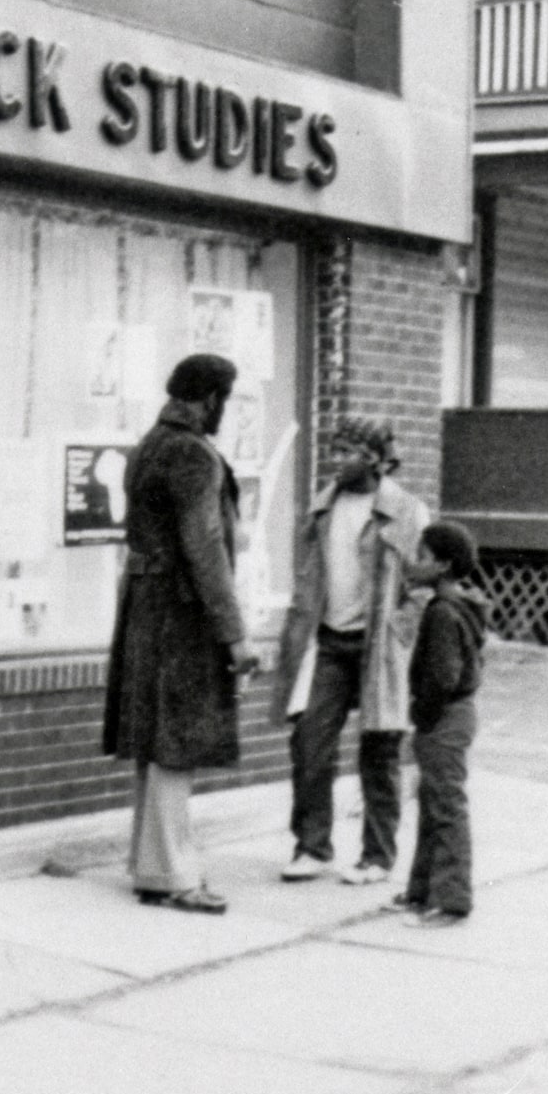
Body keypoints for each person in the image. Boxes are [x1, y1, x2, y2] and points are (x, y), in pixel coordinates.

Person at [102, 353, 257, 915]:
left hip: (145, 605)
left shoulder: (149, 444)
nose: (225, 411)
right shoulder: (193, 453)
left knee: (156, 739)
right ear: (212, 397)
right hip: (183, 612)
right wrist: (234, 634)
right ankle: (172, 874)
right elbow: (205, 548)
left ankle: (150, 867)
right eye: (226, 400)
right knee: (177, 742)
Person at [273, 417, 430, 884]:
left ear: (378, 459)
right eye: (335, 448)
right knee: (309, 743)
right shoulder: (324, 507)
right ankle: (313, 848)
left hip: (378, 646)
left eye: (349, 451)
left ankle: (377, 858)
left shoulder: (405, 510)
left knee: (379, 752)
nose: (336, 458)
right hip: (329, 641)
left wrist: (399, 632)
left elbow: (421, 588)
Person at [395, 521, 491, 927]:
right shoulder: (456, 605)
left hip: (445, 718)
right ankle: (422, 891)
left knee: (446, 806)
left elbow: (442, 677)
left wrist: (423, 717)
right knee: (433, 804)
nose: (412, 562)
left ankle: (451, 901)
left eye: (422, 555)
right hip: (454, 715)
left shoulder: (442, 612)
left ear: (443, 565)